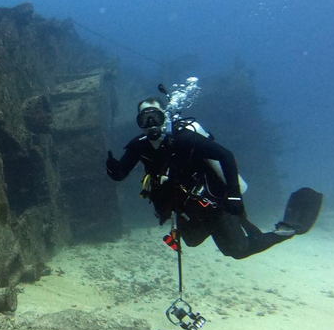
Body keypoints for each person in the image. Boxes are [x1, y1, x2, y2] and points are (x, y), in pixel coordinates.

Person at [105, 96, 322, 259]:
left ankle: (285, 230)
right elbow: (121, 174)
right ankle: (232, 226)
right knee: (192, 241)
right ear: (139, 122)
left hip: (215, 203)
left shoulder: (185, 139)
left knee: (237, 250)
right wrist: (114, 170)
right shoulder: (139, 146)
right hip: (186, 206)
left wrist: (234, 195)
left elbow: (225, 156)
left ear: (165, 117)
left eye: (156, 117)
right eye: (145, 119)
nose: (151, 123)